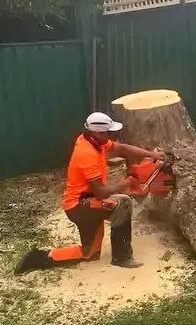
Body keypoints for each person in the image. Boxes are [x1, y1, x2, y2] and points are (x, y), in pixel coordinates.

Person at [14, 112, 164, 274]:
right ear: (97, 133)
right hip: (81, 206)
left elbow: (121, 148)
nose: (110, 135)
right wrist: (127, 183)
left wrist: (152, 155)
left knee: (90, 253)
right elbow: (101, 192)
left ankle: (37, 257)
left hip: (85, 201)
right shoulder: (87, 154)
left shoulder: (93, 141)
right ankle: (122, 257)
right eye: (107, 132)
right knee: (123, 203)